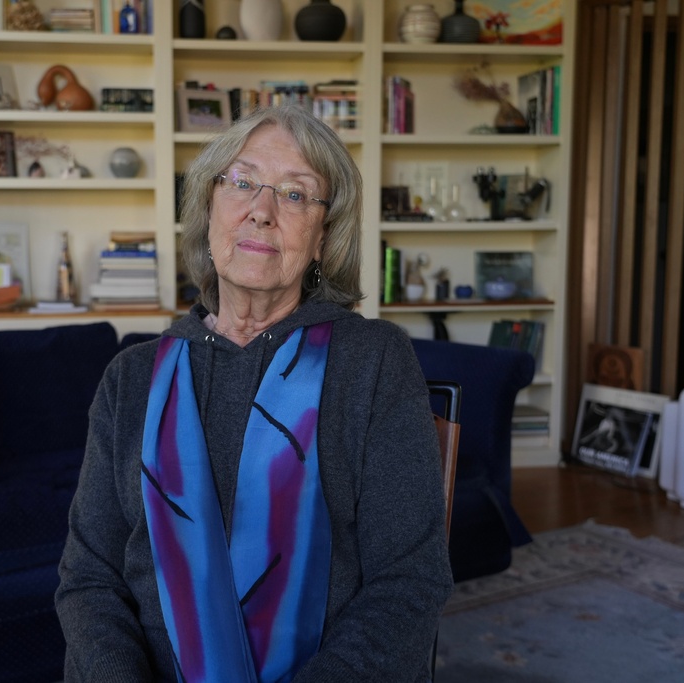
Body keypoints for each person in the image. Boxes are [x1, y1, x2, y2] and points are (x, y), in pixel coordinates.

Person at [56, 106, 453, 682]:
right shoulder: (131, 378)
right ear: (209, 209)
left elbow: (410, 579)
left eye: (296, 195)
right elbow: (90, 576)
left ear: (322, 238)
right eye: (242, 183)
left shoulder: (374, 362)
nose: (262, 212)